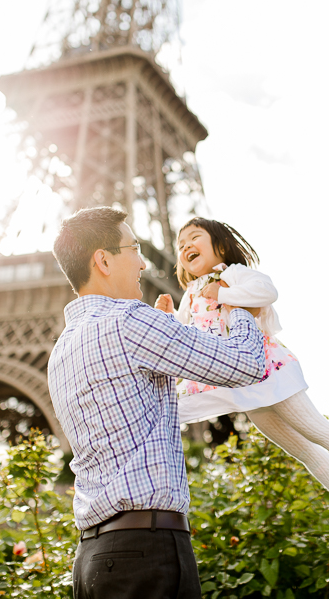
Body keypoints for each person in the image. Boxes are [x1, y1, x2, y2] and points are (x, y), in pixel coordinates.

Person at [48, 207, 266, 599]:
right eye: (134, 249)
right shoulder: (130, 321)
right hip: (146, 553)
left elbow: (133, 406)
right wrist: (238, 309)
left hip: (91, 560)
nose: (144, 262)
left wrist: (167, 336)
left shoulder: (62, 349)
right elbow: (247, 363)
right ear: (103, 260)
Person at [155, 218, 329, 533]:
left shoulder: (230, 273)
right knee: (302, 450)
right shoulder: (190, 294)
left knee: (315, 429)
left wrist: (221, 291)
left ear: (220, 245)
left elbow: (265, 292)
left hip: (269, 372)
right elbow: (192, 337)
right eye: (180, 245)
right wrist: (168, 318)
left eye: (194, 237)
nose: (186, 246)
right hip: (240, 386)